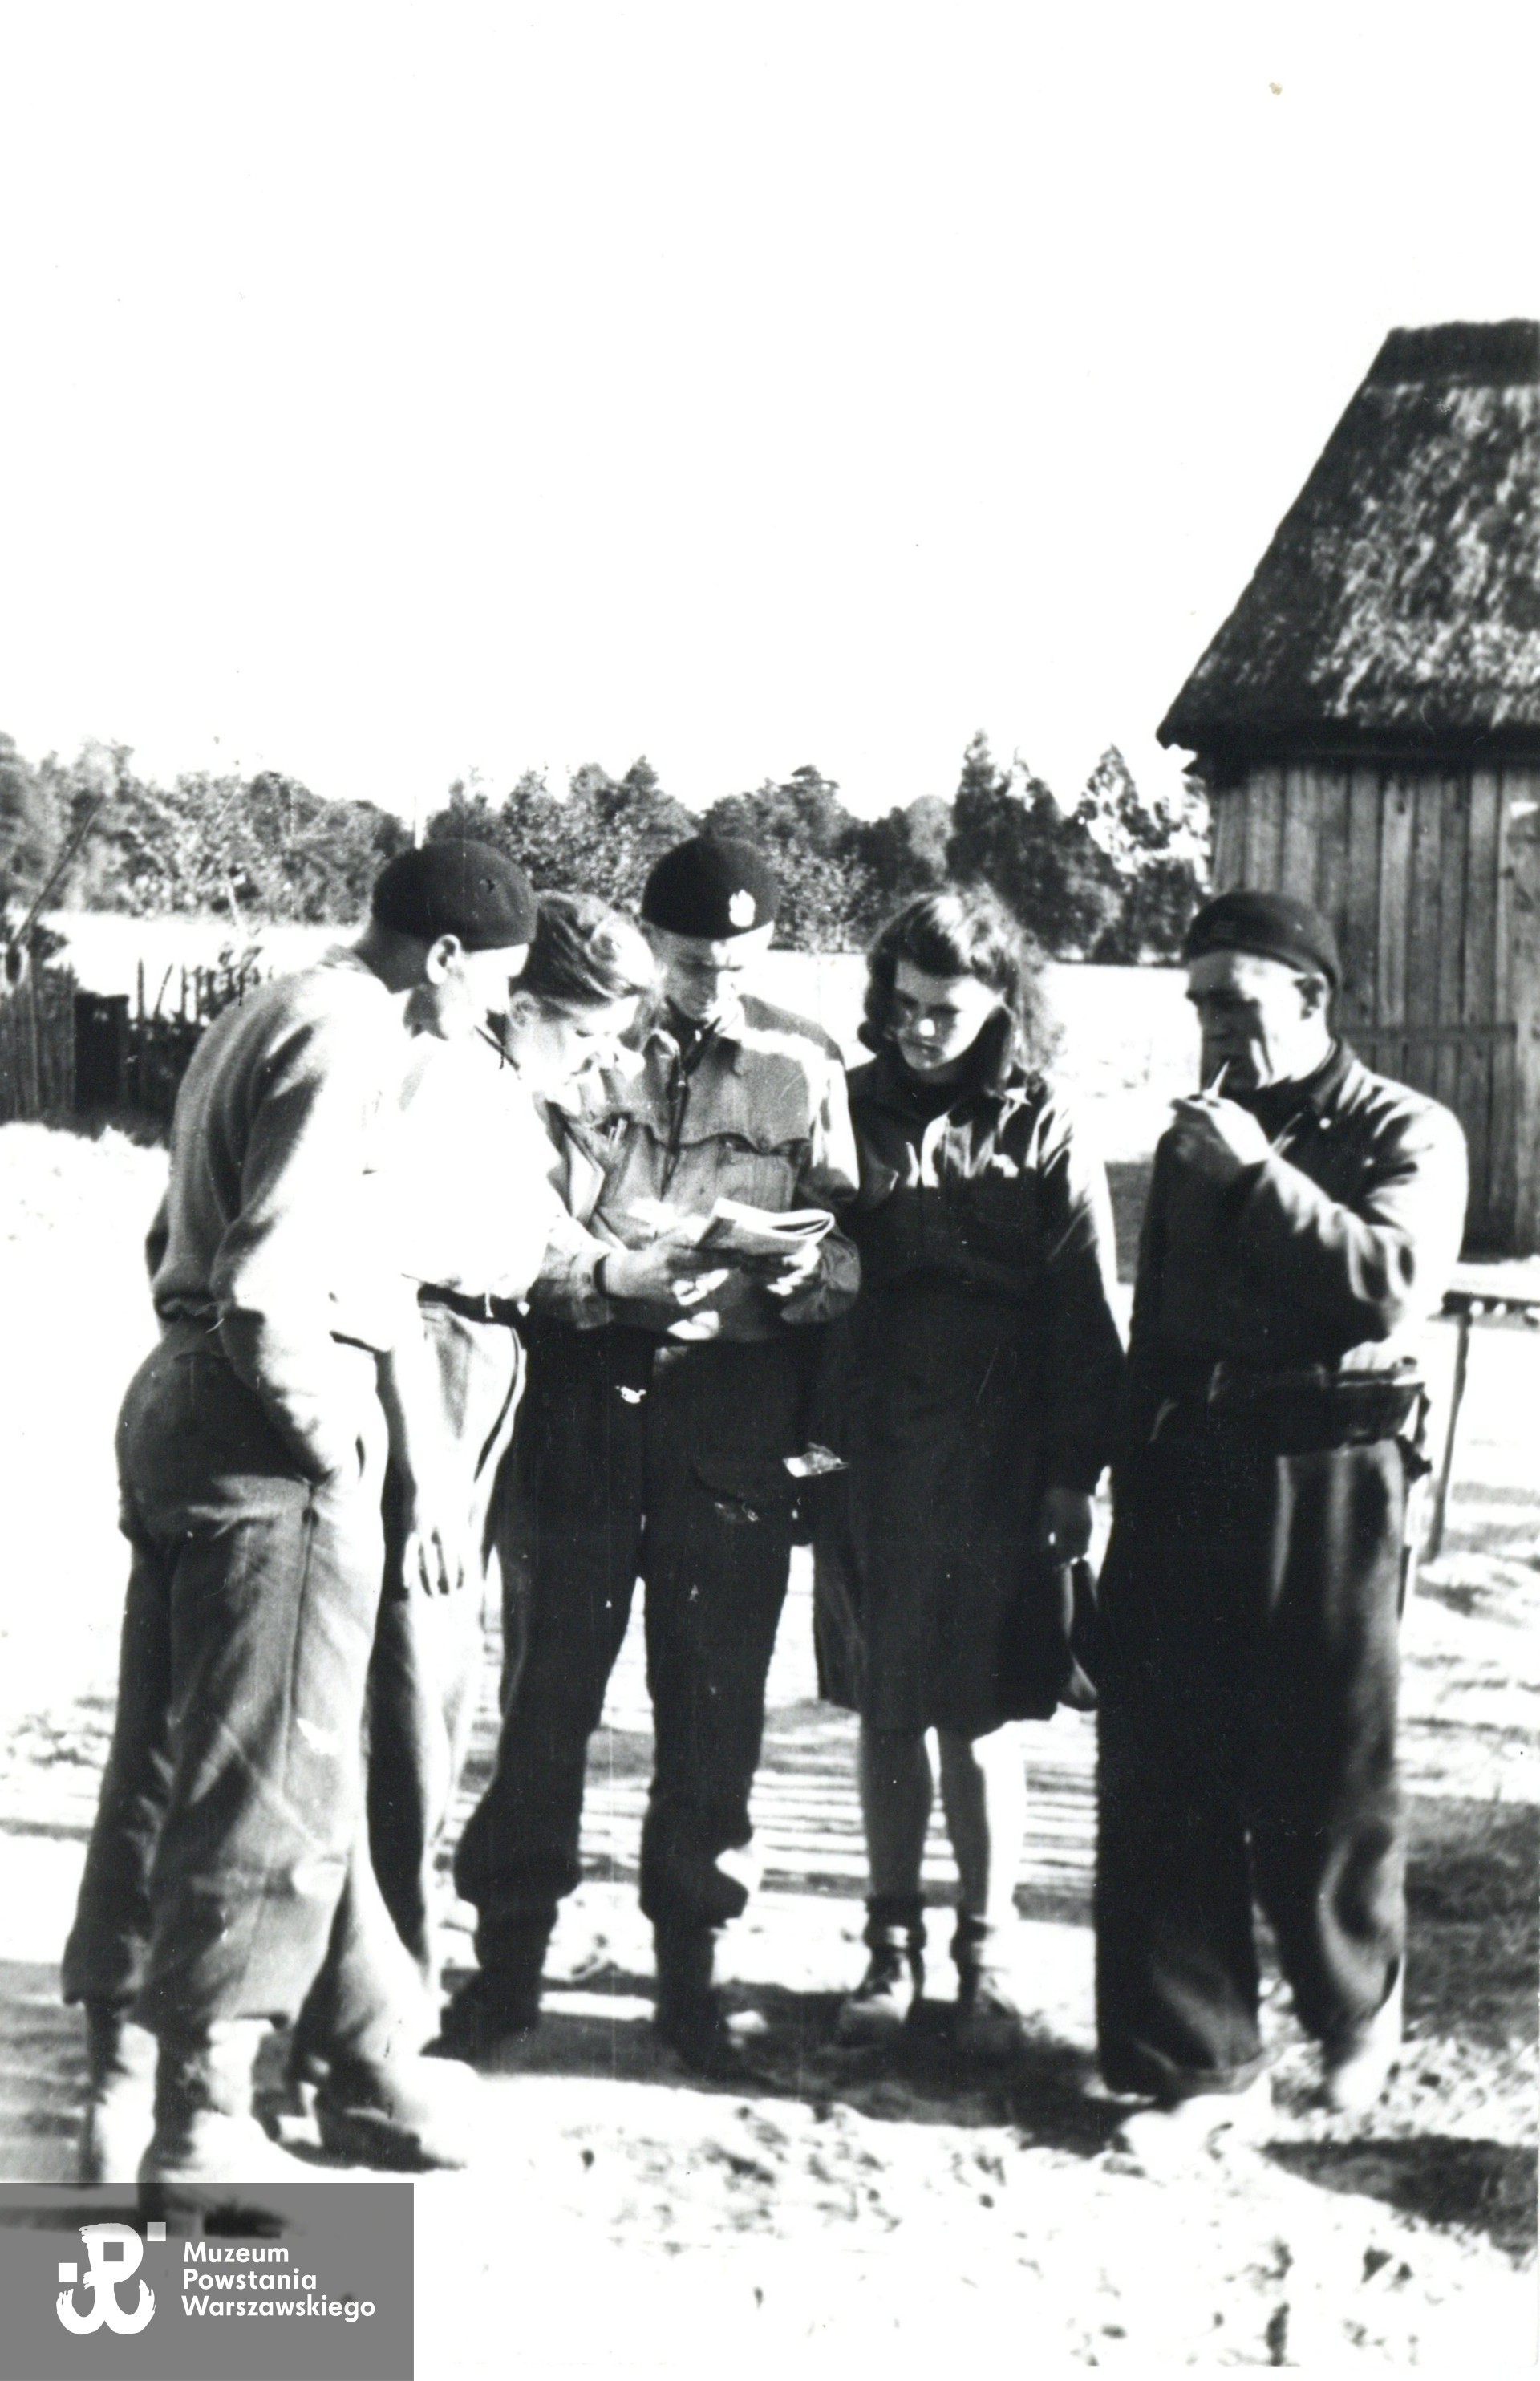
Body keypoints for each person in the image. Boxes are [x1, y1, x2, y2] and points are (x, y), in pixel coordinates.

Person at [62, 840, 535, 2187]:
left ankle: (122, 2080)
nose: (493, 1009)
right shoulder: (351, 1036)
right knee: (275, 1775)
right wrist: (334, 1449)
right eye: (494, 982)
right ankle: (201, 2121)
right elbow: (274, 1288)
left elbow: (180, 1241)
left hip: (181, 1402)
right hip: (272, 1419)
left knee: (165, 1755)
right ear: (443, 956)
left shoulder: (270, 1006)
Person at [441, 835, 861, 2071]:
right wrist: (608, 1281)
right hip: (580, 1405)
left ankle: (692, 1980)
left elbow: (848, 1256)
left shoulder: (806, 1063)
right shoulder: (579, 1038)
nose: (707, 985)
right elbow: (515, 1231)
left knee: (714, 1707)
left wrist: (803, 1276)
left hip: (730, 1427)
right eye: (686, 960)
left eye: (734, 962)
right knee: (545, 1700)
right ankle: (506, 1972)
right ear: (651, 939)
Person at [1095, 888, 1468, 2164]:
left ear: (1312, 1003)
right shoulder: (1204, 1129)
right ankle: (1198, 2063)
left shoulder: (1406, 1130)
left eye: (1238, 1003)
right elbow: (1157, 1325)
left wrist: (1257, 1177)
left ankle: (1354, 2005)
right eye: (1199, 1002)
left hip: (1335, 1471)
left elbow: (1386, 1284)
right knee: (1166, 1764)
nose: (1213, 1027)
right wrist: (1116, 1496)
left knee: (1328, 1764)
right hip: (1189, 1467)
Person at [821, 890, 1123, 2055]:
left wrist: (1070, 1476)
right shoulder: (844, 1112)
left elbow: (1084, 1316)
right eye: (901, 1008)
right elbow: (809, 1290)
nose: (920, 1031)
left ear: (1003, 1004)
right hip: (870, 1459)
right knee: (887, 1709)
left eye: (946, 1010)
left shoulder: (1043, 1124)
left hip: (1000, 1466)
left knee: (984, 1715)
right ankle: (887, 1951)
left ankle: (985, 1960)